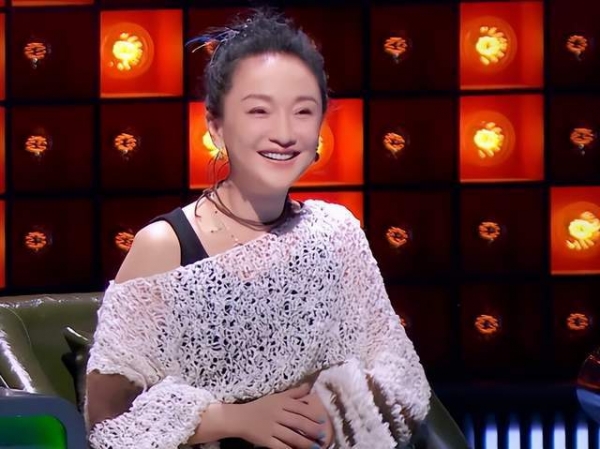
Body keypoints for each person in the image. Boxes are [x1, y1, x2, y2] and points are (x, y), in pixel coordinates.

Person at [84, 8, 431, 449]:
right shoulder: (164, 246)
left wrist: (336, 406)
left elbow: (400, 374)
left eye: (303, 111)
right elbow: (109, 422)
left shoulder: (335, 233)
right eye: (259, 111)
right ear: (216, 127)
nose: (284, 133)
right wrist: (232, 419)